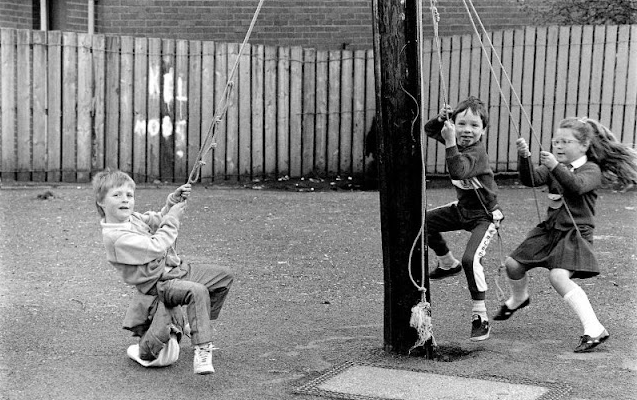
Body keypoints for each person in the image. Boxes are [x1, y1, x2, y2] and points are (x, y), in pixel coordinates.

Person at [493, 117, 637, 352]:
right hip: (550, 229)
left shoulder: (591, 169)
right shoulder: (554, 167)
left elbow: (576, 186)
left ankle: (594, 328)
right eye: (555, 141)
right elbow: (530, 179)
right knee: (513, 265)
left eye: (565, 141)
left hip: (575, 233)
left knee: (558, 276)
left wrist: (554, 167)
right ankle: (519, 298)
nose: (558, 146)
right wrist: (524, 157)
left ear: (583, 145)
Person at [92, 169, 234, 374]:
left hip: (175, 271)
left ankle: (196, 326)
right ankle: (202, 351)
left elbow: (158, 219)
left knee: (223, 277)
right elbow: (156, 245)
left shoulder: (132, 219)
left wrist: (171, 203)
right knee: (197, 292)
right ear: (101, 202)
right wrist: (174, 218)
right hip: (160, 284)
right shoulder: (116, 238)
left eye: (129, 195)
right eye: (117, 195)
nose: (125, 200)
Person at [424, 96, 504, 341]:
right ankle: (448, 263)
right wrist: (440, 120)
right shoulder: (455, 139)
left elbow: (458, 169)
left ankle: (480, 317)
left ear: (483, 130)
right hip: (462, 209)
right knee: (421, 222)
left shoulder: (476, 152)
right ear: (454, 124)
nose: (467, 130)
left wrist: (449, 141)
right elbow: (429, 130)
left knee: (471, 259)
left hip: (485, 216)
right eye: (461, 124)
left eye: (475, 126)